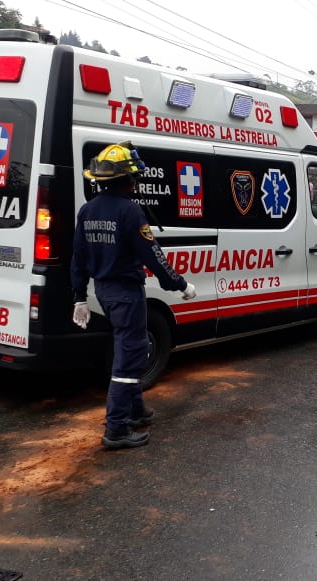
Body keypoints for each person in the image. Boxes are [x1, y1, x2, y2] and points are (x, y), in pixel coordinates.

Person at [71, 141, 197, 450]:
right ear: (125, 180)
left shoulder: (87, 211)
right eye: (134, 177)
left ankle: (136, 411)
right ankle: (116, 428)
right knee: (130, 358)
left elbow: (79, 257)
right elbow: (152, 255)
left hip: (104, 291)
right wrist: (180, 285)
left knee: (128, 347)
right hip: (126, 292)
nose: (136, 182)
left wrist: (79, 296)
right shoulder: (129, 212)